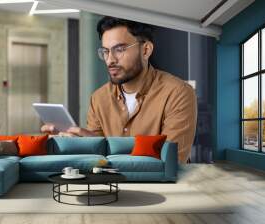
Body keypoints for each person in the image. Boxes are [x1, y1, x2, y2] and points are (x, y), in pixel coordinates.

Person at [41, 16, 197, 163]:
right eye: (105, 51)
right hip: (113, 187)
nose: (110, 60)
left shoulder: (178, 93)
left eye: (119, 50)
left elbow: (171, 160)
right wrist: (73, 145)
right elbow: (97, 160)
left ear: (146, 50)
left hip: (164, 190)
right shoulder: (99, 98)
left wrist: (105, 151)